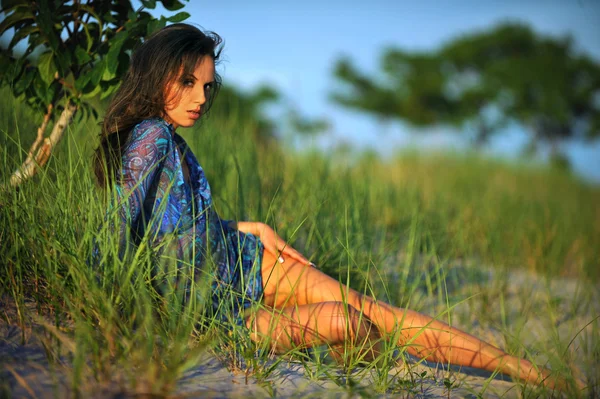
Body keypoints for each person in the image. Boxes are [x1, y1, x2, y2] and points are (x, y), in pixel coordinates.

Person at [93, 23, 577, 392]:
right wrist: (109, 312)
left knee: (372, 310)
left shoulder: (167, 139)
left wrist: (250, 226)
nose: (200, 98)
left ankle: (527, 372)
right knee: (351, 320)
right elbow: (122, 225)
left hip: (239, 259)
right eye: (189, 83)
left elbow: (176, 222)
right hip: (214, 312)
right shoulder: (151, 137)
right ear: (158, 77)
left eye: (207, 86)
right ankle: (511, 370)